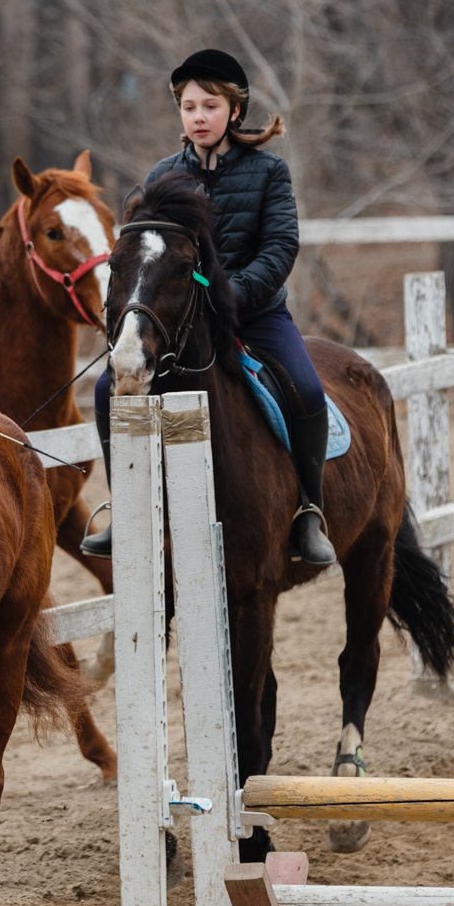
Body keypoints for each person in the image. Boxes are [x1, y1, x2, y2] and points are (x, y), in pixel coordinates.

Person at [82, 48, 334, 566]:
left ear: (234, 112)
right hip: (182, 320)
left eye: (210, 106)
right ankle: (126, 506)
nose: (198, 116)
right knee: (110, 387)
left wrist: (231, 294)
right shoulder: (163, 175)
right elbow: (151, 255)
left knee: (306, 388)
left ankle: (310, 508)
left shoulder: (269, 173)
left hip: (256, 313)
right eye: (189, 106)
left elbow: (280, 247)